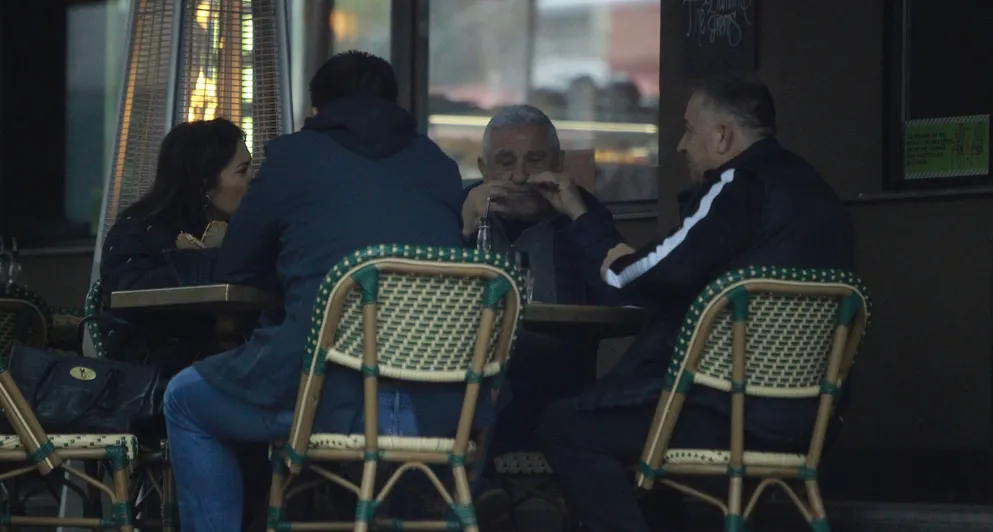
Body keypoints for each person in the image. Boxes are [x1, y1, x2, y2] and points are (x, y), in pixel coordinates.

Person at [162, 51, 478, 532]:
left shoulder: (292, 157)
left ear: (317, 111)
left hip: (327, 395)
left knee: (184, 398)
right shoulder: (438, 166)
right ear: (395, 106)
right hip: (439, 405)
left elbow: (237, 267)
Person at [528, 73, 855, 532]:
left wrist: (598, 241)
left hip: (726, 413)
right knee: (628, 421)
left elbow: (646, 275)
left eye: (688, 129)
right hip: (808, 419)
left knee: (566, 424)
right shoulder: (818, 193)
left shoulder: (740, 183)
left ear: (722, 136)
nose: (681, 145)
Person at [460, 105, 620, 526]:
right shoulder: (460, 208)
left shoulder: (582, 214)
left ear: (559, 164)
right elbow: (417, 299)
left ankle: (475, 498)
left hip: (553, 393)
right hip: (463, 389)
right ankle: (477, 497)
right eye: (505, 161)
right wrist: (461, 230)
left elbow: (622, 294)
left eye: (535, 160)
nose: (519, 176)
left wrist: (579, 215)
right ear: (483, 168)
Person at [98, 118, 252, 371]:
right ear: (205, 181)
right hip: (154, 369)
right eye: (243, 170)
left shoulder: (242, 228)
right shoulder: (139, 229)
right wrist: (193, 265)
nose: (253, 180)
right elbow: (124, 291)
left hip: (233, 362)